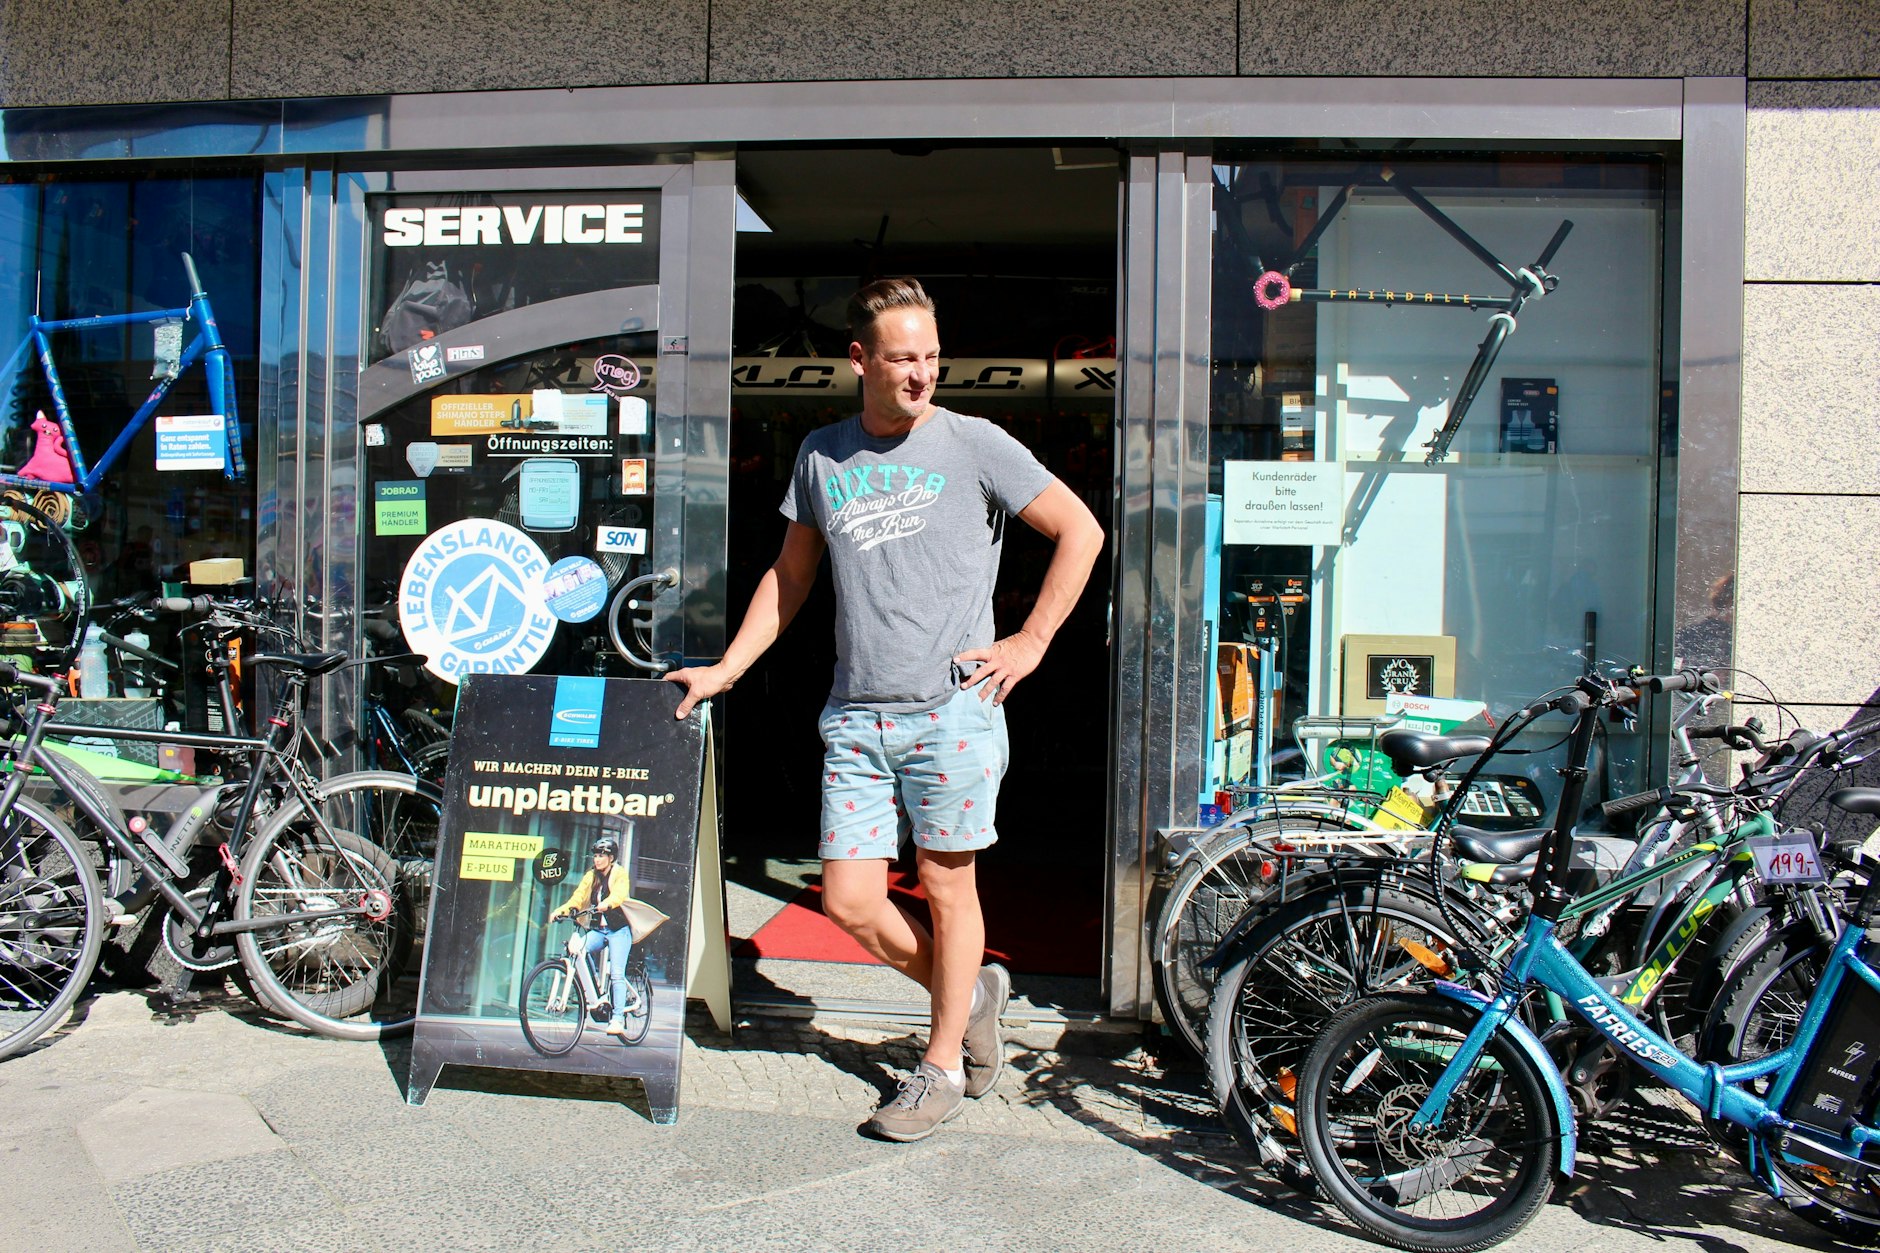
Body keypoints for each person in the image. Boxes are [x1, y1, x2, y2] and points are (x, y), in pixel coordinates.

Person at [667, 277, 1104, 1141]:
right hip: (857, 716)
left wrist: (1030, 643)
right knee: (850, 901)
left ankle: (939, 1064)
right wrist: (726, 668)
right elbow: (790, 578)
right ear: (859, 358)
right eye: (903, 358)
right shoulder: (822, 454)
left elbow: (1081, 530)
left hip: (953, 710)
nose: (922, 376)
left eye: (933, 358)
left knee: (947, 885)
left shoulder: (975, 443)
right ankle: (972, 988)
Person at [549, 833, 642, 1036]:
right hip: (599, 930)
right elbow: (578, 896)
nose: (597, 859)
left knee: (617, 973)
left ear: (611, 858)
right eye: (596, 855)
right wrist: (563, 910)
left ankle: (618, 1018)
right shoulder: (591, 875)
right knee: (578, 950)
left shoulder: (619, 873)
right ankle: (598, 991)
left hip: (619, 931)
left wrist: (608, 903)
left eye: (602, 855)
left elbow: (620, 894)